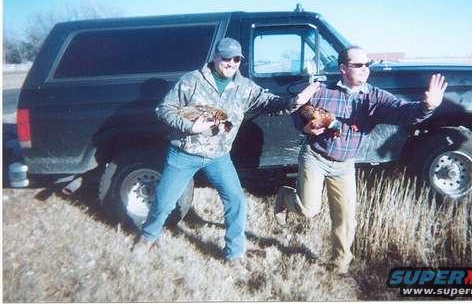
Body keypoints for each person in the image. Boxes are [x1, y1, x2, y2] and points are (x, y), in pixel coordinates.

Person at [133, 37, 320, 262]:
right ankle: (147, 237)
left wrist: (296, 101)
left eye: (236, 59)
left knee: (236, 200)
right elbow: (164, 109)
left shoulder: (245, 87)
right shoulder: (192, 81)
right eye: (226, 58)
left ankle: (234, 252)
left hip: (218, 156)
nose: (231, 63)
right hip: (184, 153)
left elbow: (271, 104)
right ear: (215, 57)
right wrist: (190, 126)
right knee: (164, 200)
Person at [274, 46, 447, 274]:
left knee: (346, 217)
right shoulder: (322, 91)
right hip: (315, 156)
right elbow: (298, 115)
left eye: (367, 65)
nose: (365, 69)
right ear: (343, 68)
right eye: (358, 65)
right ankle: (284, 197)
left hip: (344, 165)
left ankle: (340, 264)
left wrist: (428, 107)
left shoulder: (374, 98)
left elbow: (403, 111)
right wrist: (306, 128)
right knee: (308, 210)